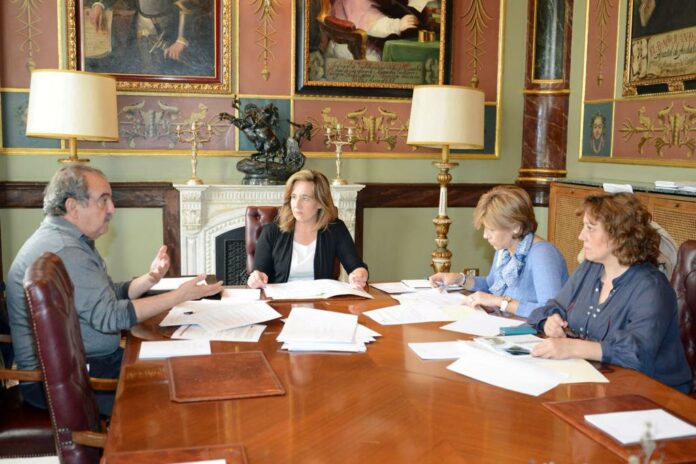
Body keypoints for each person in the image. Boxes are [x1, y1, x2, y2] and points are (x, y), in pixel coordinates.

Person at [6, 165, 222, 415]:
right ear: (73, 207)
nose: (112, 209)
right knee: (183, 384)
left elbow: (107, 294)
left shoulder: (68, 240)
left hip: (86, 366)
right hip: (70, 382)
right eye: (103, 200)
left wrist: (150, 279)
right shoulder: (66, 249)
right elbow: (110, 317)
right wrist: (179, 296)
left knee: (182, 369)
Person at [528, 192, 692, 393]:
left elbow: (637, 353)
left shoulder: (652, 286)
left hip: (655, 393)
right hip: (598, 380)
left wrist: (572, 347)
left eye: (590, 228)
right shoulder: (589, 268)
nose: (581, 236)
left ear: (620, 235)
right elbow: (550, 308)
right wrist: (550, 321)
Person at [429, 185, 568, 318]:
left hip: (534, 331)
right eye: (485, 228)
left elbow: (549, 312)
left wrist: (498, 301)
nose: (485, 235)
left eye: (492, 229)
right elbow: (490, 285)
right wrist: (460, 279)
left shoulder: (543, 254)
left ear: (516, 227)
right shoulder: (504, 250)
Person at [247, 169, 368, 289]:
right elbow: (260, 272)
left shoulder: (335, 229)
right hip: (282, 299)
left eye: (305, 198)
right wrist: (257, 278)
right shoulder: (272, 231)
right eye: (294, 197)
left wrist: (360, 275)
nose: (297, 204)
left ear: (320, 202)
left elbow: (356, 266)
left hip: (321, 298)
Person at [328, 0, 423, 61]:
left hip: (361, 44)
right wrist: (397, 25)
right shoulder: (356, 2)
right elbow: (372, 25)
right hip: (348, 48)